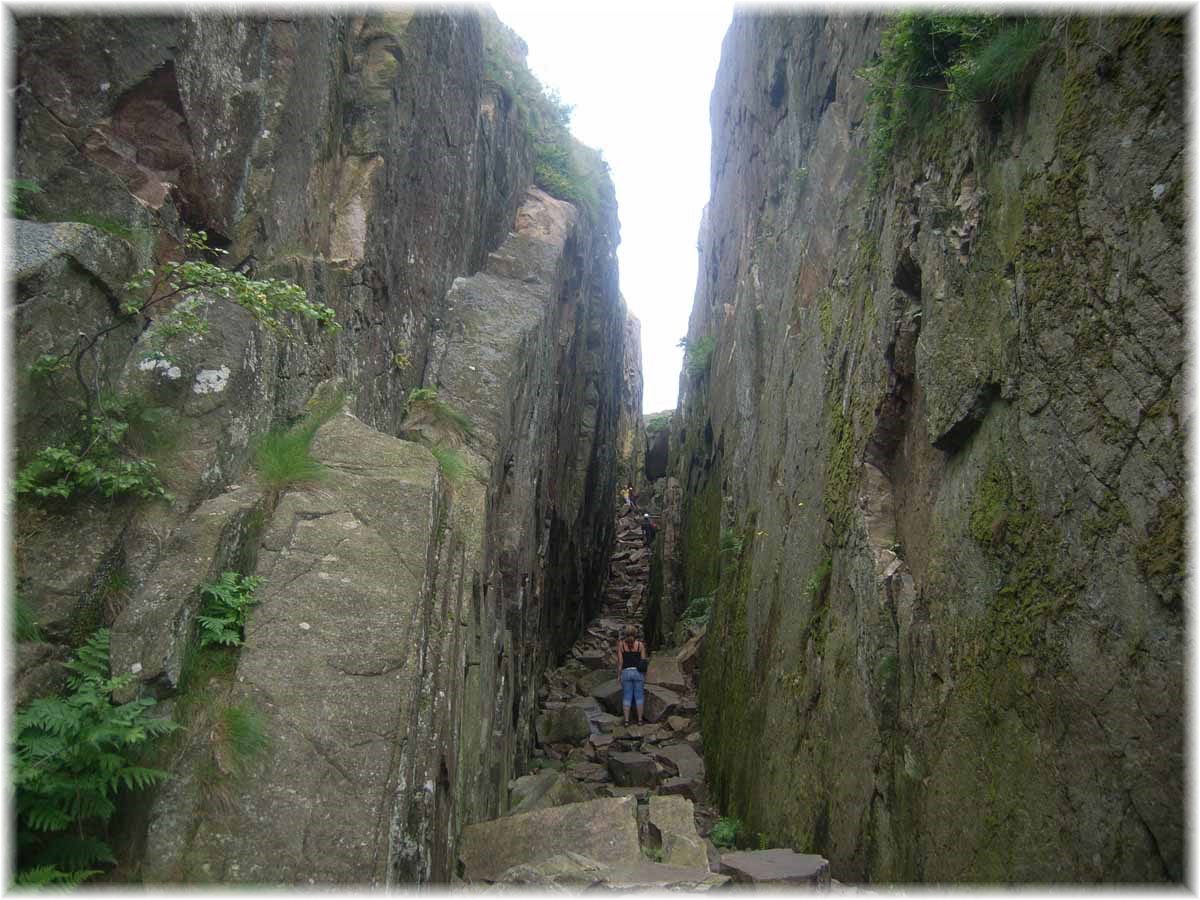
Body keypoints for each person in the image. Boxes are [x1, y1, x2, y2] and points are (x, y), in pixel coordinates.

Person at [615, 624, 647, 725]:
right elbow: (643, 661)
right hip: (638, 673)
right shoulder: (640, 645)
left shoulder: (621, 645)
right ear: (635, 633)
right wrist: (644, 674)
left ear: (625, 634)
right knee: (639, 696)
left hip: (626, 673)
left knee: (627, 696)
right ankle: (640, 720)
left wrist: (619, 676)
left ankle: (626, 721)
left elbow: (620, 662)